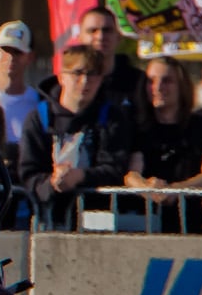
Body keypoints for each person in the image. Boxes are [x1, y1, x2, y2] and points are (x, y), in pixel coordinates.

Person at [27, 42, 141, 227]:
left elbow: (115, 168)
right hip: (45, 219)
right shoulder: (39, 118)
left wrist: (80, 176)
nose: (85, 81)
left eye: (93, 74)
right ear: (62, 76)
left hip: (97, 220)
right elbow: (28, 172)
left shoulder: (112, 117)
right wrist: (52, 182)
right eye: (78, 73)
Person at [122, 55, 202, 197]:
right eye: (151, 81)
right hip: (148, 214)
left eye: (167, 81)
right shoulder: (140, 127)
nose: (157, 87)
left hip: (193, 212)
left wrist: (174, 191)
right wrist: (147, 188)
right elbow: (132, 174)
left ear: (181, 86)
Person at [68, 5, 143, 114]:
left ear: (118, 37)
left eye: (107, 30)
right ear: (80, 37)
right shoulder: (69, 84)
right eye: (92, 31)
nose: (100, 36)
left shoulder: (139, 82)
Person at [0, 22, 42, 146]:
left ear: (30, 57)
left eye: (17, 52)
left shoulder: (40, 105)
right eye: (5, 50)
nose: (10, 57)